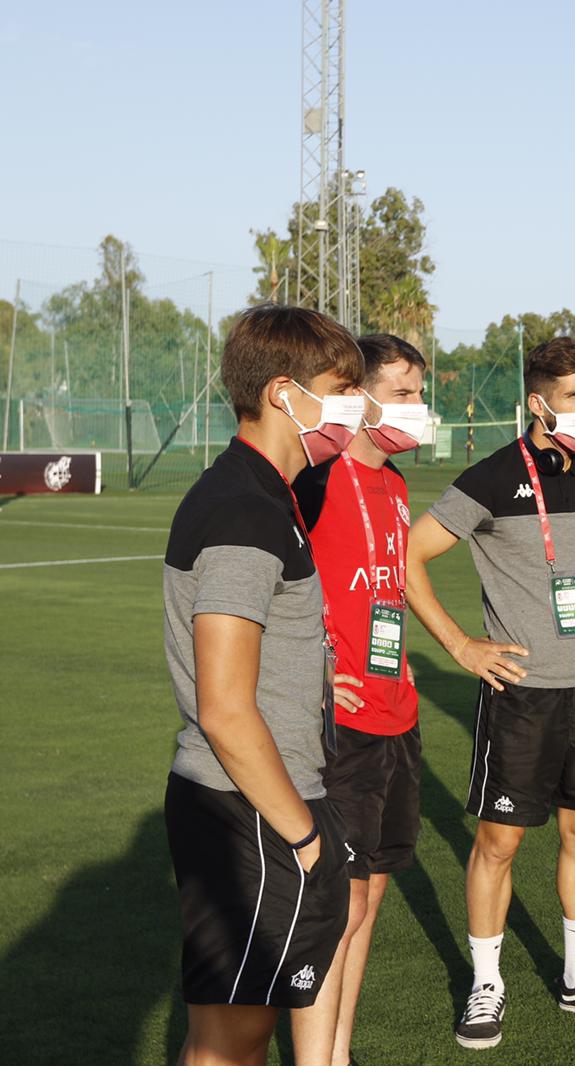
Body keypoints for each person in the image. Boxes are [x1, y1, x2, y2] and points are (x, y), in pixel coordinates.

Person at [406, 336, 575, 1049]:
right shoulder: (491, 479)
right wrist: (459, 644)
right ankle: (487, 983)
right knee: (500, 842)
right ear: (539, 403)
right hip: (522, 692)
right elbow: (409, 556)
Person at [162, 304, 365, 1065]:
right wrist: (307, 839)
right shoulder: (245, 509)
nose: (355, 409)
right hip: (246, 808)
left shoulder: (265, 494)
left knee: (244, 1030)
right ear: (284, 392)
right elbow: (223, 708)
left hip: (264, 800)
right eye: (342, 389)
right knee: (230, 1040)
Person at [292, 333, 430, 1066]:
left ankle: (339, 1053)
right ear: (362, 396)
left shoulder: (400, 489)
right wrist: (312, 669)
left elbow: (391, 587)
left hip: (396, 714)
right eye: (403, 393)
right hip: (339, 725)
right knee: (335, 909)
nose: (417, 408)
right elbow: (276, 586)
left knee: (369, 902)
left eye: (417, 393)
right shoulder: (316, 478)